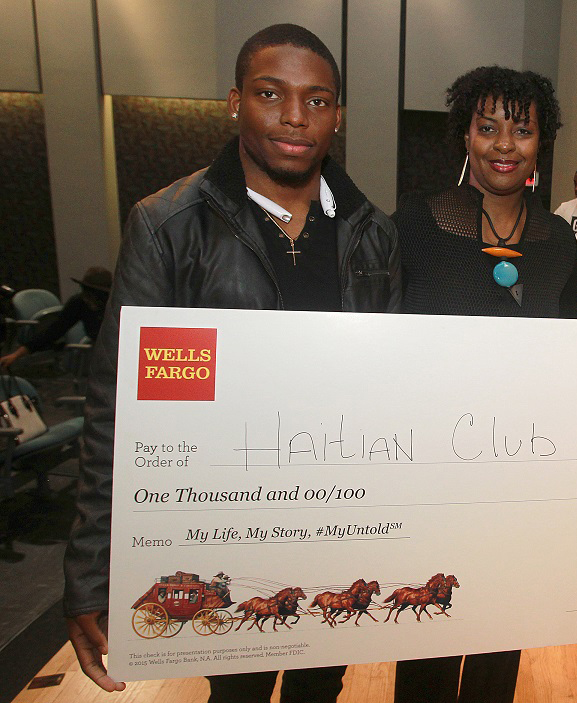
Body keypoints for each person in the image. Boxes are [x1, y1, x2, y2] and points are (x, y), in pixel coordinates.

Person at [62, 23, 400, 701]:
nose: (296, 117)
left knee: (320, 687)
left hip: (334, 526)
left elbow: (391, 398)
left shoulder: (374, 233)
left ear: (338, 114)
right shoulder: (167, 224)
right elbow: (118, 406)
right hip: (222, 522)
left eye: (318, 99)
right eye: (271, 94)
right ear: (234, 101)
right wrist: (92, 573)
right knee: (236, 690)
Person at [392, 66, 577, 703]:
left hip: (519, 484)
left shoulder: (557, 242)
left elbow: (569, 357)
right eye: (488, 127)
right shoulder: (412, 229)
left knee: (499, 649)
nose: (505, 144)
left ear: (541, 141)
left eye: (522, 130)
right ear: (465, 136)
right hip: (431, 481)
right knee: (426, 642)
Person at [0, 266, 111, 368]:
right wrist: (16, 355)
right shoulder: (79, 302)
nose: (88, 298)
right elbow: (54, 331)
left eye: (94, 294)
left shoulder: (115, 304)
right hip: (100, 352)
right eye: (86, 291)